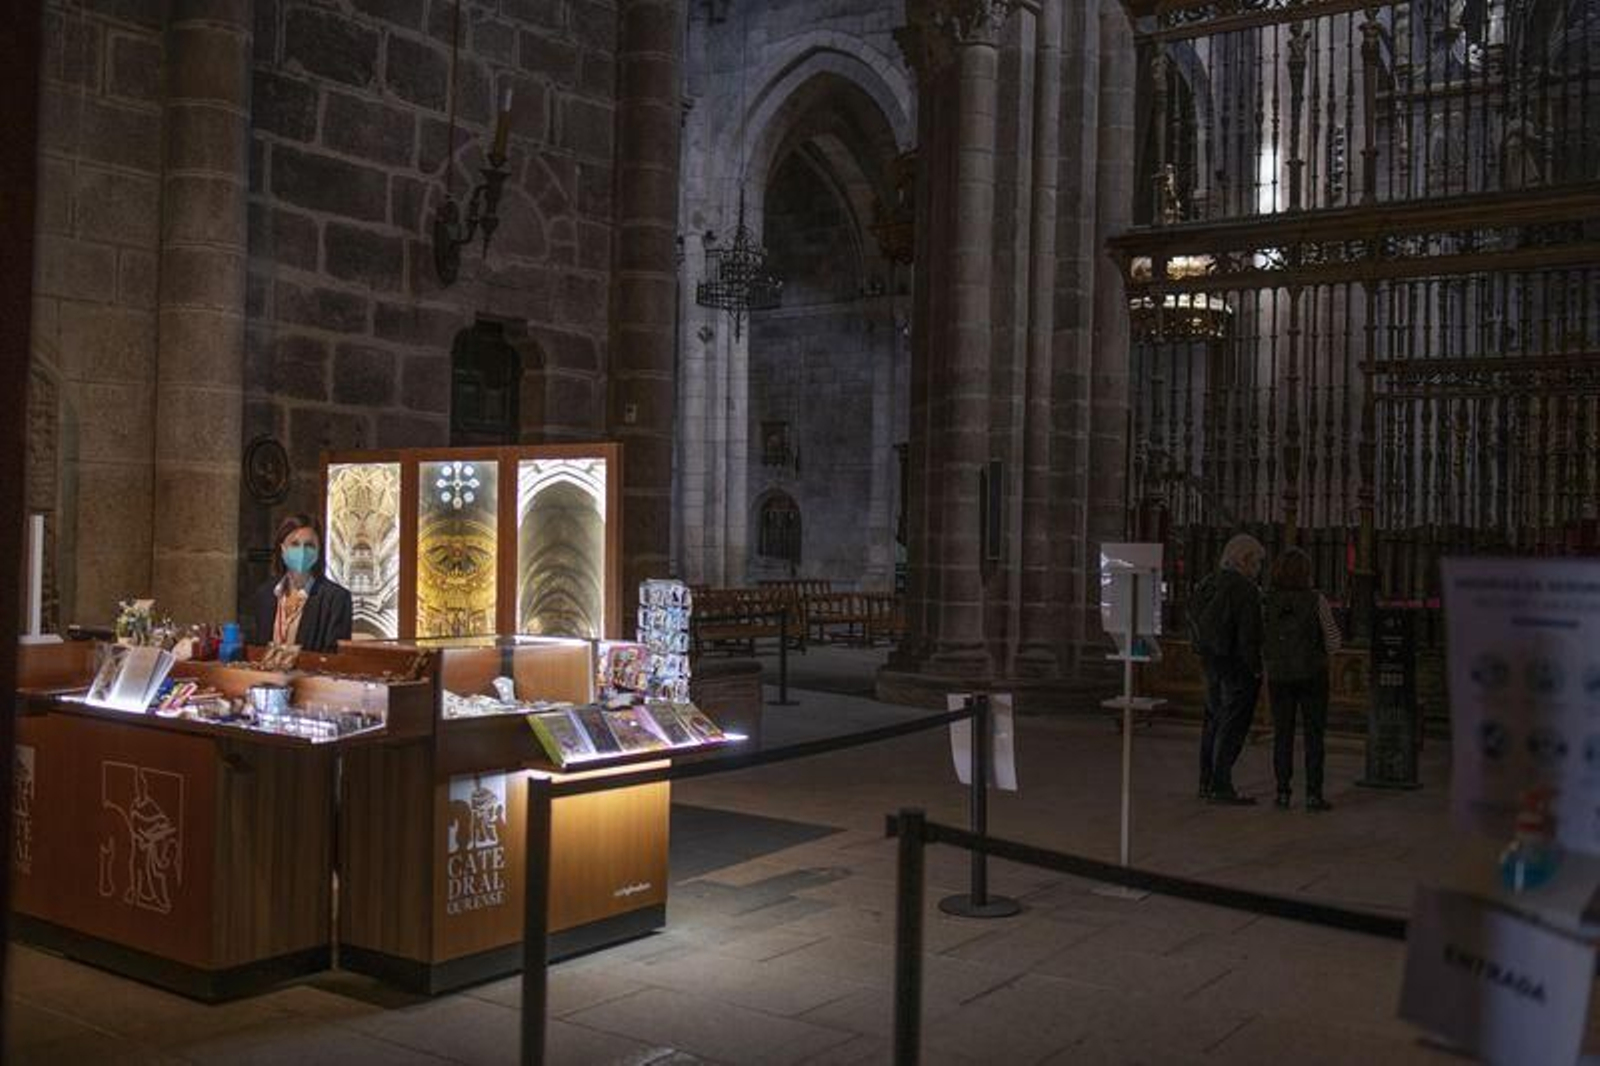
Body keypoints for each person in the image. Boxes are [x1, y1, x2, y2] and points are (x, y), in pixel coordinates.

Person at [1262, 547, 1342, 812]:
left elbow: (1261, 637)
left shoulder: (1267, 600)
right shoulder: (1316, 600)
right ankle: (1313, 795)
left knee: (1282, 735)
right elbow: (1333, 640)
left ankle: (1282, 793)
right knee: (1314, 736)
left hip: (1279, 676)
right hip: (1312, 675)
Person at [1190, 533, 1265, 805]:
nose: (1259, 568)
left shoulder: (1207, 584)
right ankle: (1222, 785)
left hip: (1210, 663)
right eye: (1257, 562)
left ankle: (1206, 781)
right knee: (1232, 727)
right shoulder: (1246, 590)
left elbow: (1194, 623)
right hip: (1236, 667)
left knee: (1212, 722)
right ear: (1245, 560)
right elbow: (1249, 636)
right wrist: (1255, 669)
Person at [249, 513, 353, 653]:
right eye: (295, 544)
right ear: (283, 549)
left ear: (318, 550)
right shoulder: (265, 594)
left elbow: (334, 657)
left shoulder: (336, 598)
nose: (302, 551)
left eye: (309, 545)